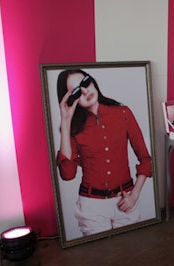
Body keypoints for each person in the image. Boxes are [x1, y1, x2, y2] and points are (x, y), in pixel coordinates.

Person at [56, 69, 152, 236]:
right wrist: (65, 121)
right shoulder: (73, 129)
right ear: (71, 99)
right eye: (77, 91)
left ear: (92, 81)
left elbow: (145, 159)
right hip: (92, 207)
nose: (85, 91)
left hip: (126, 200)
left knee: (131, 255)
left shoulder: (123, 113)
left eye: (85, 83)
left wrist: (134, 195)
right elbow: (68, 174)